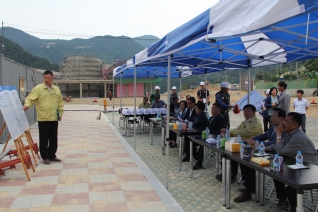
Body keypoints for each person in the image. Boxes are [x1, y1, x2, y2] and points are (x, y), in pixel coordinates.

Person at [234, 108, 287, 204]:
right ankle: (250, 186)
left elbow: (276, 143)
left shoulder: (284, 129)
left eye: (274, 116)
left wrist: (258, 143)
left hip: (282, 157)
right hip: (270, 154)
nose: (271, 118)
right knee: (246, 158)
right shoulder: (272, 128)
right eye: (271, 116)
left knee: (258, 166)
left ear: (281, 118)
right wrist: (251, 140)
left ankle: (248, 191)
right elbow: (264, 136)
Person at [274, 112, 318, 212]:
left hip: (308, 168)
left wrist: (278, 134)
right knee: (277, 174)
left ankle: (294, 208)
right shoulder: (291, 133)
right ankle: (283, 200)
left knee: (290, 189)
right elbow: (280, 146)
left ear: (295, 125)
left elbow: (281, 150)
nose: (283, 123)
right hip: (297, 164)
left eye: (286, 121)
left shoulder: (298, 137)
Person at [22, 70, 64, 165]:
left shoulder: (56, 90)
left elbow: (60, 102)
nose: (47, 80)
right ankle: (45, 157)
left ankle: (52, 155)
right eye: (45, 78)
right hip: (43, 118)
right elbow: (30, 99)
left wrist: (60, 113)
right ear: (43, 78)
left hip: (53, 118)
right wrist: (27, 105)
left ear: (52, 78)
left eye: (49, 78)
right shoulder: (38, 89)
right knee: (44, 139)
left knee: (53, 138)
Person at [216, 104, 263, 182]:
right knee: (226, 152)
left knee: (235, 154)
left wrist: (228, 131)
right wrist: (227, 131)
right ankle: (229, 173)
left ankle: (244, 181)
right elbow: (236, 130)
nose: (246, 112)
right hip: (243, 146)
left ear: (254, 112)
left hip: (252, 147)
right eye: (244, 111)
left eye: (248, 111)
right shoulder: (244, 122)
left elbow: (243, 132)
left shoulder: (256, 123)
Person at [193, 103, 227, 170]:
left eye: (214, 108)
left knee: (202, 143)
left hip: (215, 138)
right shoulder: (211, 118)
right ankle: (195, 156)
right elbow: (207, 127)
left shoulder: (221, 118)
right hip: (208, 136)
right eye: (211, 108)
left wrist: (210, 135)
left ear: (218, 110)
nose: (212, 110)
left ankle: (199, 162)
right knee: (194, 139)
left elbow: (219, 131)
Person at [189, 101, 209, 169]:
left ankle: (199, 162)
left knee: (201, 144)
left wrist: (191, 123)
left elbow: (196, 124)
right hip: (197, 133)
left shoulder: (203, 116)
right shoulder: (197, 115)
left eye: (196, 108)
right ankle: (191, 155)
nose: (195, 110)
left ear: (200, 109)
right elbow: (192, 121)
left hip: (202, 134)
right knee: (188, 138)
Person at [182, 97, 197, 162]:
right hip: (188, 128)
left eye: (190, 103)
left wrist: (188, 121)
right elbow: (185, 117)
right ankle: (187, 154)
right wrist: (183, 120)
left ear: (194, 103)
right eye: (187, 103)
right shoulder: (188, 109)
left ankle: (189, 155)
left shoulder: (196, 110)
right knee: (185, 136)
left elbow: (194, 120)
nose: (188, 105)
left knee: (188, 137)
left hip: (195, 129)